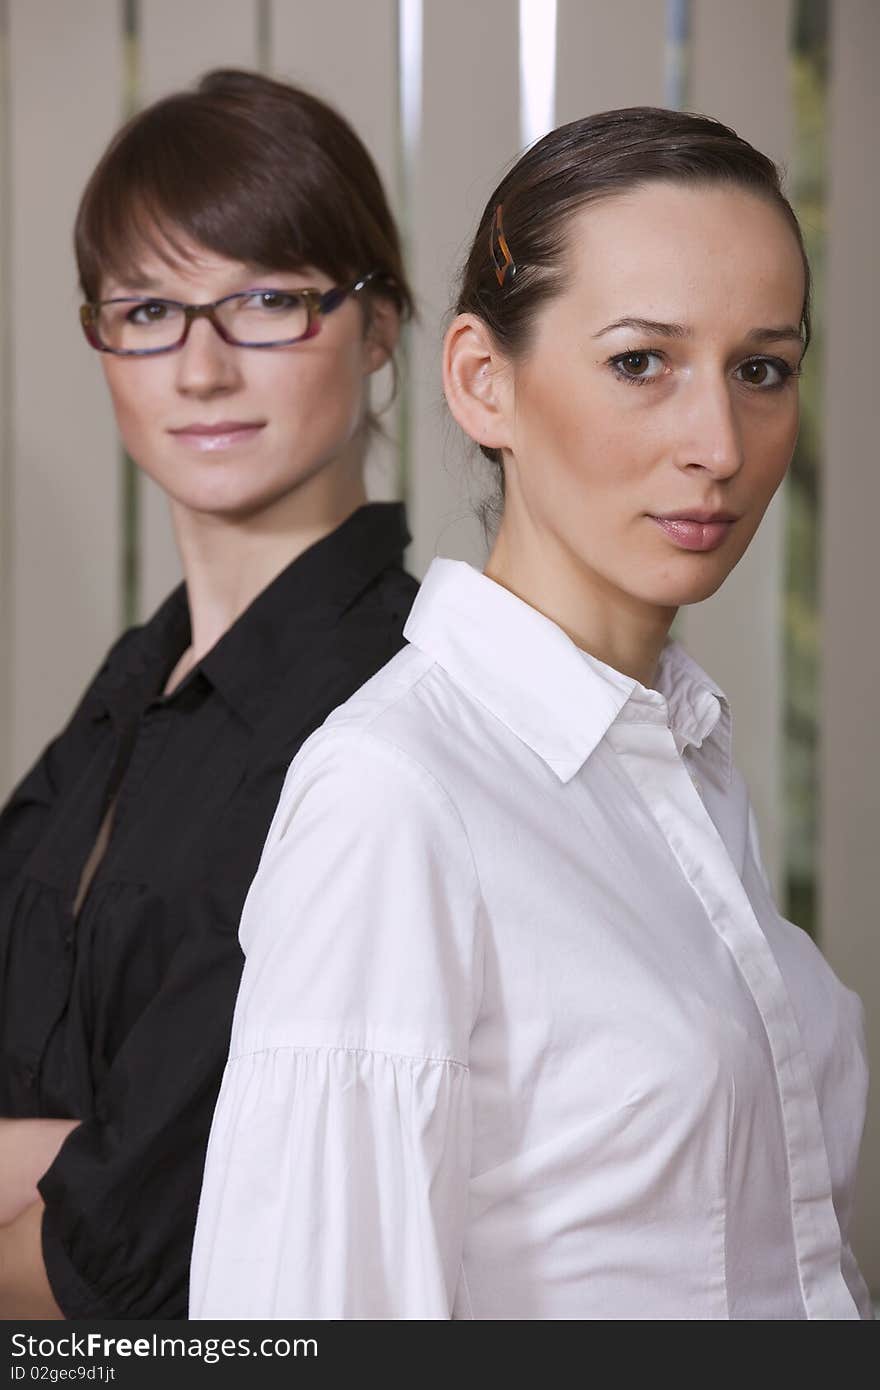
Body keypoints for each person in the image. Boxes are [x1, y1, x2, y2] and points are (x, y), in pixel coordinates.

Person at [190, 107, 872, 1320]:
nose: (716, 443)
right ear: (480, 381)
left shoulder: (682, 758)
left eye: (760, 369)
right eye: (639, 362)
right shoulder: (397, 797)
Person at [0, 68, 417, 1319]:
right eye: (145, 310)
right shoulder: (141, 677)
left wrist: (87, 1173)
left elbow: (135, 1256)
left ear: (380, 325)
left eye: (267, 302)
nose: (199, 368)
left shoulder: (386, 714)